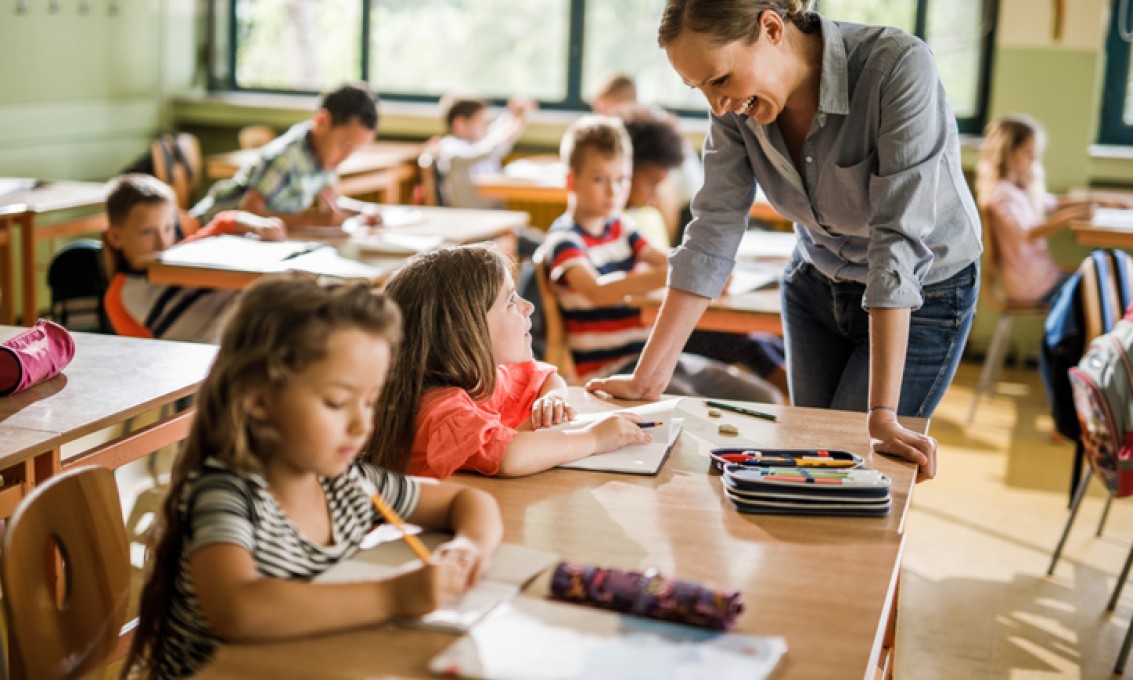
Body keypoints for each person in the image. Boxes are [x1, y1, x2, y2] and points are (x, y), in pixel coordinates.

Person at [590, 0, 986, 482]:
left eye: (719, 80)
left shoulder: (895, 67)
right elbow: (712, 228)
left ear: (772, 28)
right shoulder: (735, 104)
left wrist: (882, 412)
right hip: (816, 283)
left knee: (847, 474)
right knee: (811, 470)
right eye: (699, 89)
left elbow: (897, 244)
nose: (718, 106)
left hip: (923, 296)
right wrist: (648, 377)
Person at [121, 277, 503, 679]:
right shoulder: (228, 491)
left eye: (370, 402)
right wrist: (394, 597)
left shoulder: (347, 484)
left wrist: (468, 548)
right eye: (337, 402)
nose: (362, 425)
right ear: (259, 399)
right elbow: (238, 609)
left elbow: (467, 502)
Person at [544, 115, 782, 403]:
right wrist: (680, 273)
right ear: (572, 181)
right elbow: (597, 291)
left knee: (764, 396)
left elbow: (663, 258)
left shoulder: (622, 228)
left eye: (621, 180)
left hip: (653, 356)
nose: (613, 191)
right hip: (611, 369)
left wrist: (706, 268)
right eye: (599, 179)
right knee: (686, 404)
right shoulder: (565, 240)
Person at [365, 244, 650, 479]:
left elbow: (544, 376)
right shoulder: (440, 409)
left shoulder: (487, 376)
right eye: (511, 301)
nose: (529, 306)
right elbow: (509, 457)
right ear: (464, 332)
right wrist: (594, 439)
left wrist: (552, 399)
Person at [103, 173, 287, 342]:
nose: (162, 243)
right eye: (147, 232)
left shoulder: (179, 253)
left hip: (253, 316)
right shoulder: (118, 298)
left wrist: (259, 225)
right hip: (222, 345)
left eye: (168, 228)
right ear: (116, 237)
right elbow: (148, 353)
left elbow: (224, 222)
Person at [190, 82, 383, 230]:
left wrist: (364, 211)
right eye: (344, 145)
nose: (345, 157)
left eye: (354, 151)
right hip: (207, 230)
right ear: (322, 121)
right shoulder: (286, 159)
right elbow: (248, 213)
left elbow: (333, 200)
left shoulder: (323, 158)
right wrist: (310, 219)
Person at [976, 114, 1095, 305]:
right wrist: (1071, 215)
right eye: (1028, 152)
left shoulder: (1016, 190)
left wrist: (1102, 201)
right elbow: (1027, 233)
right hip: (1031, 285)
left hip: (1041, 276)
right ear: (1007, 152)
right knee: (1099, 285)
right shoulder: (1001, 195)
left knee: (1099, 276)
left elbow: (1053, 202)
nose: (1034, 159)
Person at [435, 96, 537, 210]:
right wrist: (516, 120)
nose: (485, 128)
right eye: (481, 123)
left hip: (493, 215)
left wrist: (513, 115)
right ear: (460, 124)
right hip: (470, 218)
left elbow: (494, 138)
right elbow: (488, 148)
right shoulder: (450, 147)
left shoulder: (476, 143)